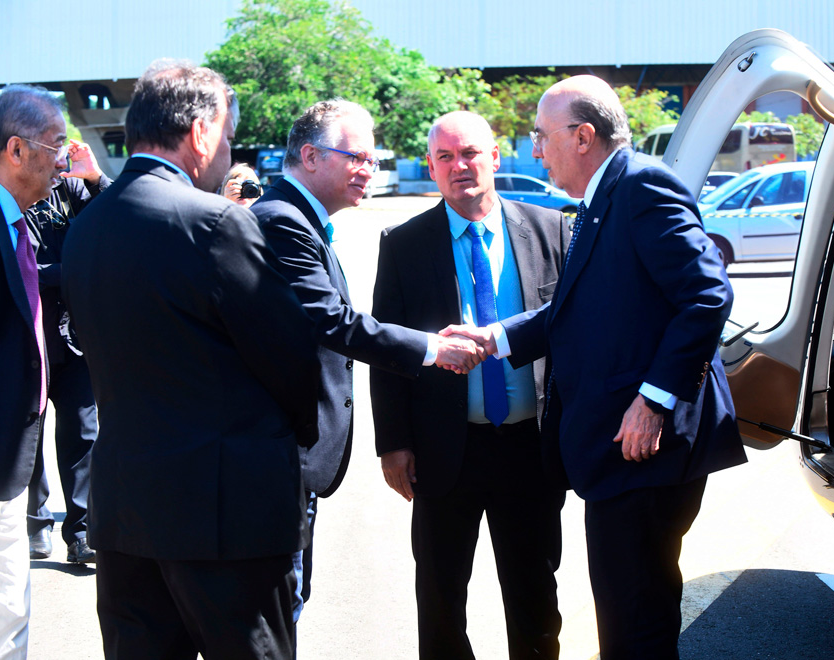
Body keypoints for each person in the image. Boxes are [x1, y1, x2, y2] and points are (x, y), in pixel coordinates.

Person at [444, 76, 747, 659]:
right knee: (631, 615)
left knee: (634, 621)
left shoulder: (641, 188)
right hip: (621, 453)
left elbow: (707, 295)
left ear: (582, 137)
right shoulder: (600, 201)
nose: (536, 149)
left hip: (643, 451)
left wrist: (654, 401)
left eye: (542, 136)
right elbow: (575, 309)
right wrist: (495, 338)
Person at [60, 60, 321, 660]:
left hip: (125, 508)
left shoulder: (89, 224)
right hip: (225, 518)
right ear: (201, 133)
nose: (229, 151)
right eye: (227, 136)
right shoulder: (216, 222)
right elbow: (289, 358)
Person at [251, 100, 483, 619]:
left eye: (372, 161)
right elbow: (331, 321)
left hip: (286, 457)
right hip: (276, 456)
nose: (368, 172)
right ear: (310, 156)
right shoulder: (283, 222)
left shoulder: (299, 219)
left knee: (286, 606)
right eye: (356, 158)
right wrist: (432, 347)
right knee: (275, 616)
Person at [370, 111, 570, 660]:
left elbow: (573, 333)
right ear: (432, 167)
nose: (460, 167)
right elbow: (386, 354)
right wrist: (392, 444)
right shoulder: (405, 243)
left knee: (534, 594)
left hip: (531, 449)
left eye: (471, 154)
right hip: (443, 451)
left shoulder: (552, 228)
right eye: (446, 157)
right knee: (439, 598)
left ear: (496, 157)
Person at [0, 84, 66, 660]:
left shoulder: (19, 219)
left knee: (7, 607)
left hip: (12, 455)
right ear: (17, 150)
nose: (64, 159)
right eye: (56, 145)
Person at [24, 139, 111, 565]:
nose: (57, 153)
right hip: (24, 342)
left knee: (82, 431)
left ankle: (81, 532)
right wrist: (74, 271)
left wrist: (94, 177)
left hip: (73, 337)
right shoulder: (4, 192)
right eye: (50, 142)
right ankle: (34, 525)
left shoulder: (69, 187)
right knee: (29, 437)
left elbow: (122, 219)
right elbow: (18, 268)